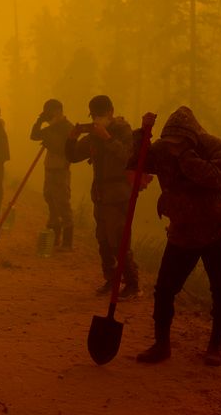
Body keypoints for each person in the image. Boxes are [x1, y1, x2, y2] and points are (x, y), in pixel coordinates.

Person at [131, 106, 221, 366]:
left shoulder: (215, 147)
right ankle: (161, 344)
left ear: (190, 139)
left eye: (178, 142)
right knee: (165, 288)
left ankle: (216, 345)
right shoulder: (162, 149)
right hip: (182, 230)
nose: (172, 147)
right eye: (170, 142)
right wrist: (143, 135)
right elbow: (137, 162)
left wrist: (186, 157)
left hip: (217, 229)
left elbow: (216, 177)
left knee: (220, 289)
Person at [65, 95, 141, 299]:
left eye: (100, 114)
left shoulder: (123, 131)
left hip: (118, 195)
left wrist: (107, 137)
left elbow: (128, 156)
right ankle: (111, 278)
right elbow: (72, 156)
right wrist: (72, 138)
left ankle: (132, 283)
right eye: (94, 115)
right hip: (100, 195)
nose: (97, 119)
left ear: (110, 112)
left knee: (119, 240)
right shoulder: (94, 136)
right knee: (103, 240)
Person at [31, 99, 74, 251]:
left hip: (61, 169)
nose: (48, 116)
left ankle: (67, 242)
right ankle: (54, 235)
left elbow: (66, 149)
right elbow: (34, 135)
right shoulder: (51, 127)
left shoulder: (68, 127)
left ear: (57, 111)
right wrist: (39, 121)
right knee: (49, 197)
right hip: (49, 168)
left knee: (62, 201)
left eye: (49, 112)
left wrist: (50, 138)